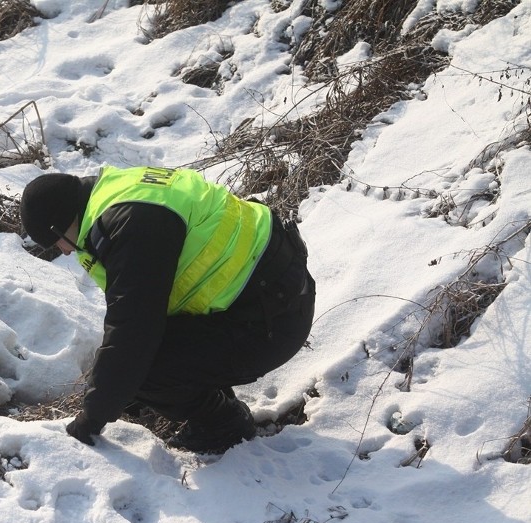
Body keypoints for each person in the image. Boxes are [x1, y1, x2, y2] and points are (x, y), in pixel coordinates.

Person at [20, 165, 314, 453]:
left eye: (58, 242)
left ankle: (224, 424)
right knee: (133, 369)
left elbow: (133, 335)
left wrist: (91, 419)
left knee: (143, 368)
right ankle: (205, 394)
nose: (66, 251)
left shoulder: (130, 226)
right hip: (273, 291)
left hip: (273, 321)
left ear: (60, 223)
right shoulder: (118, 191)